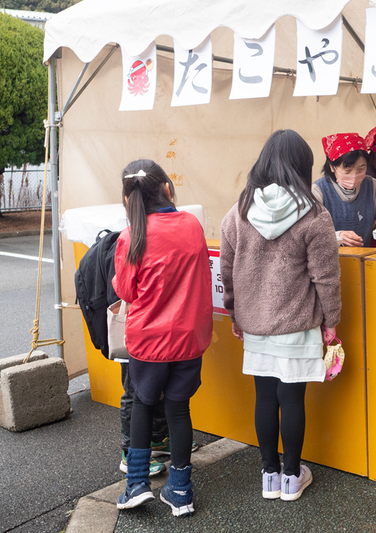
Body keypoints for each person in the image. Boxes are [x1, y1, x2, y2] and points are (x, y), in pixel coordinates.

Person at [220, 129, 342, 502]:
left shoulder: (239, 210)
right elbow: (326, 277)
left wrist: (234, 312)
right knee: (292, 400)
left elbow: (227, 267)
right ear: (302, 167)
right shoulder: (315, 215)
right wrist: (331, 322)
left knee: (264, 398)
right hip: (298, 325)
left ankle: (269, 476)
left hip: (255, 323)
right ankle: (292, 477)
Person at [114, 160, 212, 516]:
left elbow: (125, 289)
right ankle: (180, 492)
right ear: (167, 190)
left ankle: (136, 484)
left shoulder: (130, 237)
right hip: (188, 338)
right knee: (179, 410)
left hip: (147, 342)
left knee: (143, 403)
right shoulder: (191, 224)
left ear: (128, 199)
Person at [312, 132, 376, 249]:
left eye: (361, 169)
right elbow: (310, 233)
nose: (354, 176)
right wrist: (337, 237)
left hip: (361, 260)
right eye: (348, 171)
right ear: (332, 167)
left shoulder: (372, 186)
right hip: (328, 262)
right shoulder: (318, 191)